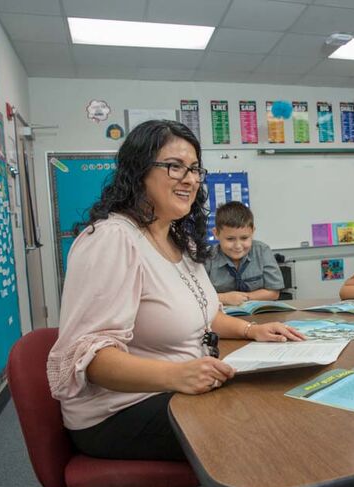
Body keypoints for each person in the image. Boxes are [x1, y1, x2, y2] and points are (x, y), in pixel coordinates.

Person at [47, 120, 304, 464]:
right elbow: (90, 358)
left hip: (173, 389)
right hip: (118, 412)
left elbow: (206, 314)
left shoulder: (179, 242)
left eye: (195, 169)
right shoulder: (112, 239)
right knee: (256, 425)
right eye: (175, 166)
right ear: (138, 171)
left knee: (275, 396)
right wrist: (178, 375)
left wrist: (252, 330)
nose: (190, 178)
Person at [205, 201, 285, 306]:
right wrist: (224, 298)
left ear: (252, 231)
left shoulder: (262, 251)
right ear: (216, 234)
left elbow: (274, 293)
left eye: (244, 238)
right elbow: (196, 296)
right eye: (230, 239)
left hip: (259, 316)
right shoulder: (207, 257)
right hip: (221, 317)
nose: (238, 246)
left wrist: (244, 298)